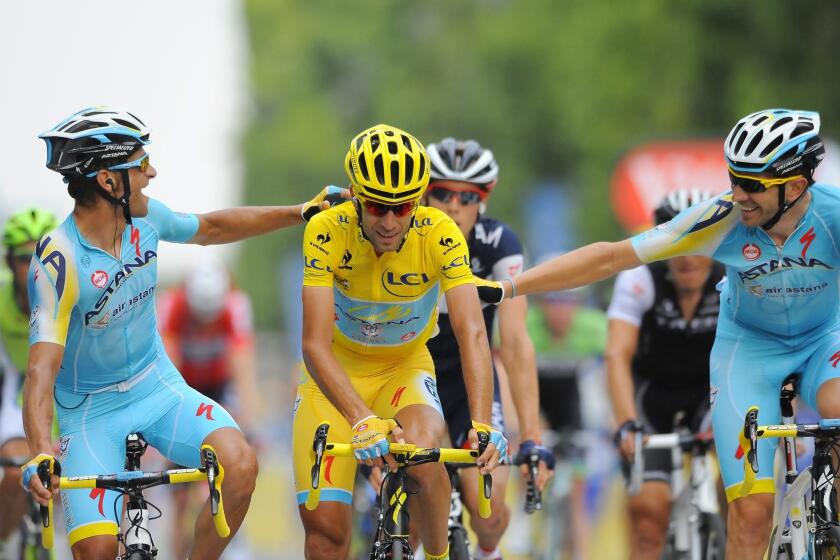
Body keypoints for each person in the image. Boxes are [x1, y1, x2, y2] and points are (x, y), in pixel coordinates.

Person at [475, 108, 838, 559]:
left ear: (796, 185)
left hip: (825, 339)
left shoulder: (832, 217)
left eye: (752, 185)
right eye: (733, 179)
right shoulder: (720, 218)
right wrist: (509, 287)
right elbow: (610, 258)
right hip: (750, 351)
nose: (737, 194)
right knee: (751, 512)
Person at [20, 106, 344, 560]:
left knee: (240, 465)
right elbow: (40, 370)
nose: (151, 172)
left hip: (157, 387)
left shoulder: (145, 218)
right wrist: (39, 452)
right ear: (109, 181)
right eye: (140, 163)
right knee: (95, 552)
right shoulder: (60, 258)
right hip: (91, 412)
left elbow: (211, 228)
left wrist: (300, 212)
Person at [294, 124, 505, 560]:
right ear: (355, 195)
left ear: (420, 198)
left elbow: (472, 332)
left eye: (403, 206)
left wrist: (483, 424)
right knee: (326, 537)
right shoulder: (326, 231)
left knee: (425, 463)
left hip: (403, 367)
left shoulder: (440, 233)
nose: (390, 221)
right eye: (376, 207)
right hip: (334, 378)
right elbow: (314, 344)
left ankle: (437, 556)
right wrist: (359, 418)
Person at [423, 137, 554, 560]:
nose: (453, 205)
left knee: (489, 504)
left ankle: (488, 551)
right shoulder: (402, 236)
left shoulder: (500, 243)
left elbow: (514, 345)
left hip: (469, 378)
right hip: (408, 372)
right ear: (425, 194)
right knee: (411, 491)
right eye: (442, 193)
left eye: (467, 197)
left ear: (483, 200)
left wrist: (531, 436)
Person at [605, 189, 724, 559]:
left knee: (746, 496)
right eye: (677, 245)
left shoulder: (732, 274)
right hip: (651, 397)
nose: (688, 258)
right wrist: (626, 422)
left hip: (712, 392)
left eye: (699, 242)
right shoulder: (641, 278)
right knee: (648, 516)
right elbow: (616, 354)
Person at [157, 258, 262, 559]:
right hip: (184, 386)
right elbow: (169, 369)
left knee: (232, 465)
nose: (205, 324)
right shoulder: (172, 305)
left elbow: (243, 369)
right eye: (200, 317)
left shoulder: (235, 306)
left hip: (219, 389)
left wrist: (249, 426)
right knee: (179, 497)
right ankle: (179, 549)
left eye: (210, 317)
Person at [525, 282, 607, 560]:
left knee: (577, 486)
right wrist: (524, 426)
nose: (560, 311)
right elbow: (504, 371)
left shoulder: (594, 327)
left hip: (571, 404)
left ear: (578, 307)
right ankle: (524, 520)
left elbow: (609, 374)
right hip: (532, 397)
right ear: (542, 305)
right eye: (553, 302)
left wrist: (609, 425)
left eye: (567, 303)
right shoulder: (526, 324)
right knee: (522, 454)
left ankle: (580, 551)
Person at [0, 208, 58, 542]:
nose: (36, 263)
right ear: (9, 263)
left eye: (45, 253)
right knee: (12, 473)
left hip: (67, 398)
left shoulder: (74, 296)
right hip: (22, 397)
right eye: (25, 257)